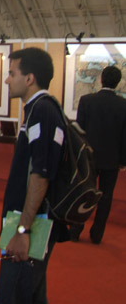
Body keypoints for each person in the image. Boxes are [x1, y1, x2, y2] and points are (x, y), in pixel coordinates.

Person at [0, 47, 69, 304]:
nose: (7, 79)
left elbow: (41, 175)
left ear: (29, 78)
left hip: (33, 224)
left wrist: (22, 231)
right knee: (32, 294)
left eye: (11, 73)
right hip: (28, 221)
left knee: (11, 294)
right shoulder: (37, 110)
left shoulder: (42, 112)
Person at [69, 65, 126, 244]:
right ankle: (97, 235)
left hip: (88, 158)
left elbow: (79, 132)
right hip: (112, 159)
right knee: (106, 197)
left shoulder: (86, 100)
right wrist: (123, 161)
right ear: (118, 83)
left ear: (101, 79)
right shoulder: (123, 105)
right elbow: (125, 136)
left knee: (84, 192)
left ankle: (75, 231)